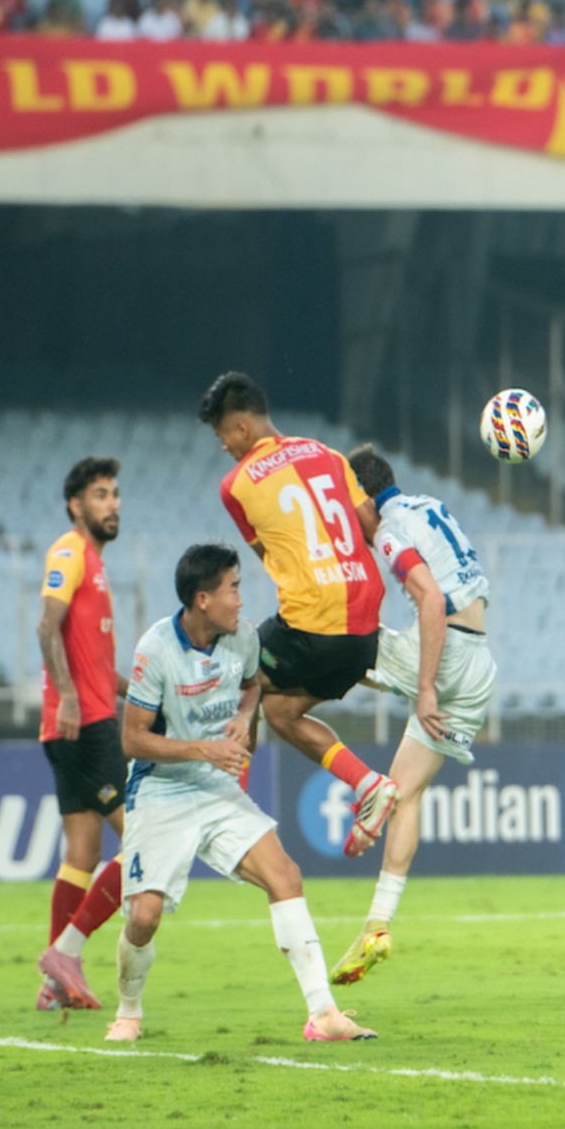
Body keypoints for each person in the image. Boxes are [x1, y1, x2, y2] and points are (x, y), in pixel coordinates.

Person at [107, 544, 374, 1043]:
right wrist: (206, 751)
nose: (240, 599)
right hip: (161, 788)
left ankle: (323, 1015)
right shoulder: (156, 648)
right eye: (233, 588)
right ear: (203, 599)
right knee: (143, 917)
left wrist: (245, 715)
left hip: (215, 787)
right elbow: (133, 739)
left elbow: (251, 685)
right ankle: (128, 1011)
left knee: (285, 876)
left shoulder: (243, 637)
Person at [198, 371, 398, 857]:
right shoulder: (328, 454)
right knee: (280, 709)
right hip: (365, 627)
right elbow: (371, 526)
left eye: (222, 434)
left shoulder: (236, 485)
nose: (223, 445)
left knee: (235, 672)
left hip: (313, 621)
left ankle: (233, 811)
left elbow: (270, 553)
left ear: (242, 429)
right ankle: (368, 783)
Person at [329, 446, 497, 986]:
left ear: (362, 495)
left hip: (445, 657)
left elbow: (428, 601)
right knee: (409, 791)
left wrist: (424, 688)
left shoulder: (388, 529)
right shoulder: (428, 505)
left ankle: (275, 707)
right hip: (479, 663)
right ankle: (377, 925)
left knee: (331, 642)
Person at [34, 457, 130, 1012]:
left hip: (78, 720)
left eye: (115, 494)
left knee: (83, 851)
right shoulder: (70, 551)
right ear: (76, 505)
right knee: (141, 839)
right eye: (100, 495)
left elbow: (94, 662)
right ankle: (67, 954)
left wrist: (139, 694)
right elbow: (47, 626)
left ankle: (55, 982)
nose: (112, 504)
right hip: (83, 725)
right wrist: (70, 696)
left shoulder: (94, 561)